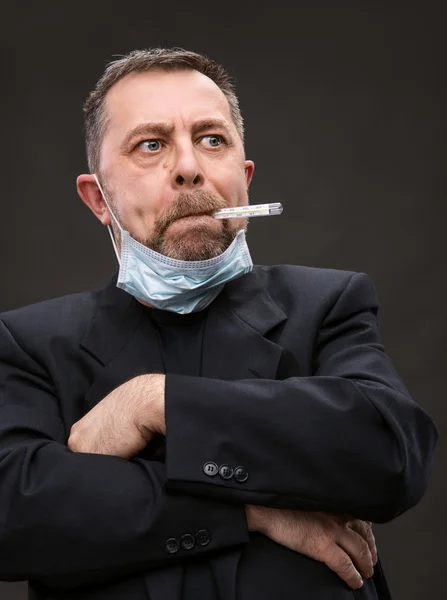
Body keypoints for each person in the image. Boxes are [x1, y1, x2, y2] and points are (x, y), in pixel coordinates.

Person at [0, 47, 438, 600]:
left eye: (212, 140)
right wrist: (251, 510)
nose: (189, 167)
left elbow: (390, 453)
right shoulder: (30, 343)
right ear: (98, 199)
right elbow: (13, 516)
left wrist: (157, 403)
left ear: (244, 178)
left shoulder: (328, 303)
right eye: (151, 145)